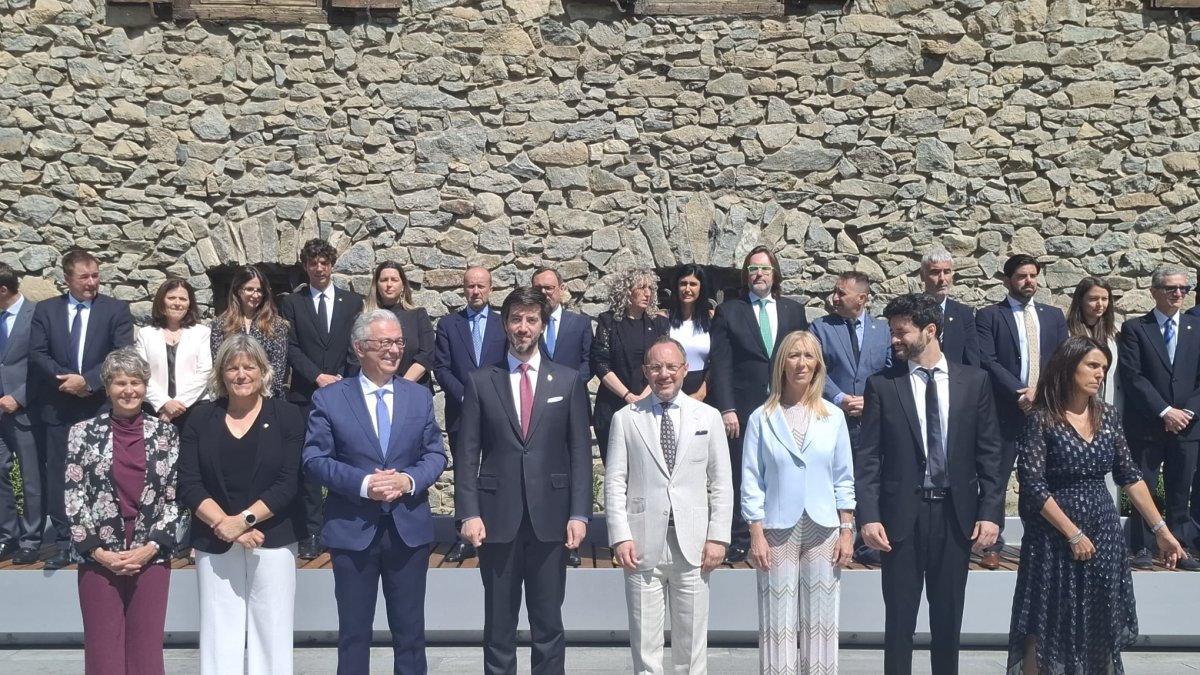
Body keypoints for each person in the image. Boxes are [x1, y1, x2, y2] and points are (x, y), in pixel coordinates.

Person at [1008, 335, 1189, 675]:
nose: (1100, 374)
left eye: (1104, 368)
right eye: (1092, 365)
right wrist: (1072, 534)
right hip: (1053, 536)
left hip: (1104, 532)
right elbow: (1032, 485)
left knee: (1100, 621)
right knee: (1044, 624)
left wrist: (1161, 531)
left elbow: (1130, 476)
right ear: (1068, 366)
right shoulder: (1041, 418)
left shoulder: (1107, 415)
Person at [856, 293, 1005, 675]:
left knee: (948, 622)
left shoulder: (975, 382)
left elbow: (990, 456)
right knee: (899, 624)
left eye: (901, 332)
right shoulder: (882, 386)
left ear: (930, 330)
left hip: (957, 519)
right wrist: (868, 516)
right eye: (892, 332)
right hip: (901, 520)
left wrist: (991, 514)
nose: (894, 340)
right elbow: (869, 457)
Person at [456, 287, 592, 675]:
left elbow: (580, 451)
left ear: (543, 326)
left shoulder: (567, 381)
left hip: (551, 520)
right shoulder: (482, 381)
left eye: (532, 319)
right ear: (504, 324)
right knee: (499, 627)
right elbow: (467, 454)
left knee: (548, 625)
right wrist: (469, 512)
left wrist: (580, 514)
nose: (523, 327)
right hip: (496, 520)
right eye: (516, 319)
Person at [304, 310, 448, 675]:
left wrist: (408, 481)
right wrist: (365, 484)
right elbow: (315, 459)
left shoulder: (418, 397)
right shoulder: (331, 399)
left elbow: (435, 454)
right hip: (352, 532)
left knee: (411, 634)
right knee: (354, 633)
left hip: (408, 532)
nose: (394, 350)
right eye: (385, 342)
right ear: (359, 348)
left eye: (399, 342)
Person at [177, 334, 306, 675]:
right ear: (220, 374)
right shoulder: (201, 418)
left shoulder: (287, 415)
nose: (241, 374)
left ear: (263, 371)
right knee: (220, 631)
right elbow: (188, 483)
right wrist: (227, 526)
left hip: (273, 538)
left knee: (272, 630)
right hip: (214, 539)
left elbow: (289, 482)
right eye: (232, 368)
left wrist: (244, 521)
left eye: (249, 366)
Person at [605, 336, 731, 675]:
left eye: (672, 366)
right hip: (642, 542)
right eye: (656, 367)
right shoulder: (626, 418)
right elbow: (615, 482)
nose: (664, 374)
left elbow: (721, 483)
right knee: (645, 646)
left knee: (691, 648)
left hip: (694, 544)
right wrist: (620, 535)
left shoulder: (708, 417)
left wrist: (719, 536)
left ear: (685, 369)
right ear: (646, 371)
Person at [742, 330, 855, 674]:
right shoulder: (761, 417)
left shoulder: (833, 417)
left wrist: (847, 529)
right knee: (777, 625)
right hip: (776, 530)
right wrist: (756, 533)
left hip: (824, 529)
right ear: (782, 364)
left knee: (822, 623)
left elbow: (843, 477)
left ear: (818, 364)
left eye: (808, 356)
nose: (801, 363)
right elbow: (751, 479)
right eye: (793, 356)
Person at [65, 348, 180, 675]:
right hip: (99, 556)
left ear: (145, 387)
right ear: (107, 387)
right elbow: (74, 499)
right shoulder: (81, 433)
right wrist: (99, 553)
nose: (129, 390)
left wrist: (151, 547)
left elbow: (174, 498)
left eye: (135, 382)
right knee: (103, 652)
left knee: (147, 651)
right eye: (119, 383)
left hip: (151, 555)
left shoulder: (166, 434)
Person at [30, 249, 134, 569]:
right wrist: (65, 380)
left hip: (98, 404)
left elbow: (121, 352)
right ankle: (65, 542)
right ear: (67, 280)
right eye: (84, 277)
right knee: (60, 475)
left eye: (95, 276)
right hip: (58, 407)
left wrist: (87, 382)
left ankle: (102, 537)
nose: (91, 283)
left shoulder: (115, 309)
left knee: (102, 473)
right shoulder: (46, 311)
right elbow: (37, 352)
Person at [709, 246, 809, 564]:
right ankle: (740, 538)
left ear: (775, 273)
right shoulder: (730, 311)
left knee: (784, 468)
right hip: (743, 407)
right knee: (744, 472)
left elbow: (805, 359)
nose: (759, 274)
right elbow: (721, 363)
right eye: (752, 269)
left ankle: (785, 532)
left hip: (786, 404)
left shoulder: (793, 311)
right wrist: (726, 408)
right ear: (746, 275)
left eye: (764, 269)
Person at [974, 254, 1068, 569]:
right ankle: (991, 546)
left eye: (1033, 276)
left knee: (1042, 481)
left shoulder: (1053, 316)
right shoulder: (989, 316)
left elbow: (1061, 360)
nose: (1029, 282)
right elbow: (987, 360)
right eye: (1021, 276)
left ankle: (1041, 543)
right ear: (1007, 280)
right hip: (1004, 412)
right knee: (995, 481)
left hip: (1044, 411)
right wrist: (1020, 391)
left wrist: (1039, 392)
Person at [280, 239, 365, 561]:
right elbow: (291, 347)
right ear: (306, 266)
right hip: (306, 392)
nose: (319, 268)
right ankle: (313, 531)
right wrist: (317, 377)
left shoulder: (352, 302)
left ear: (332, 265)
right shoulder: (293, 303)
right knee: (311, 465)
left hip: (345, 391)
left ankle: (344, 526)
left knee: (347, 458)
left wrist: (344, 378)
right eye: (313, 263)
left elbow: (356, 343)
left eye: (324, 262)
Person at [1117, 265, 1200, 571]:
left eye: (1183, 289)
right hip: (1148, 425)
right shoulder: (1137, 328)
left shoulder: (1196, 329)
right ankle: (1141, 545)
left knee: (1180, 488)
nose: (1178, 294)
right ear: (1154, 292)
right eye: (1171, 289)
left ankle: (1180, 546)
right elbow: (1133, 376)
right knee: (1144, 486)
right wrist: (1165, 411)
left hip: (1188, 426)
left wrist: (1187, 412)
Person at [434, 266, 507, 564]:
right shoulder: (449, 325)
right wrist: (466, 395)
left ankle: (497, 529)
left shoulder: (504, 324)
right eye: (470, 286)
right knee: (464, 472)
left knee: (498, 471)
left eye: (481, 286)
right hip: (461, 410)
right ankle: (464, 537)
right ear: (463, 289)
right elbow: (441, 368)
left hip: (498, 412)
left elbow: (508, 365)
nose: (475, 291)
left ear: (490, 288)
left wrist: (490, 398)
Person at [591, 267, 670, 466]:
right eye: (642, 287)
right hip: (613, 407)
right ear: (627, 290)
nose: (648, 293)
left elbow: (663, 362)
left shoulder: (659, 324)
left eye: (650, 288)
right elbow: (601, 363)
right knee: (617, 472)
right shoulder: (608, 322)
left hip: (650, 405)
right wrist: (628, 396)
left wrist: (644, 395)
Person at [810, 271, 891, 442]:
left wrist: (869, 400)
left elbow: (890, 372)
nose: (834, 298)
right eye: (835, 291)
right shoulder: (820, 328)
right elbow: (814, 368)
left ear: (861, 298)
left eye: (841, 293)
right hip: (830, 419)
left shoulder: (883, 330)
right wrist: (839, 397)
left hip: (873, 425)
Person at [0, 263, 43, 565]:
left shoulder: (37, 315)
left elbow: (43, 364)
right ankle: (7, 536)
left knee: (30, 476)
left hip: (24, 409)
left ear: (3, 289)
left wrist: (20, 397)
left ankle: (31, 539)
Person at [134, 278, 211, 430]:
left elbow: (205, 372)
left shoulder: (202, 333)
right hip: (155, 409)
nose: (177, 303)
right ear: (161, 301)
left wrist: (177, 405)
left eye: (183, 299)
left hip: (194, 408)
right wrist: (164, 403)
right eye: (171, 298)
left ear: (190, 304)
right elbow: (140, 373)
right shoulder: (146, 334)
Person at [210, 265, 288, 398]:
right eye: (250, 289)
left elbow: (278, 368)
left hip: (267, 396)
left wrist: (259, 395)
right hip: (231, 398)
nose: (255, 295)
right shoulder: (221, 324)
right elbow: (219, 364)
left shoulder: (277, 325)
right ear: (238, 290)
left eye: (259, 290)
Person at [366, 261, 436, 389]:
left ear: (403, 285)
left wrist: (401, 385)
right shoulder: (366, 319)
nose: (389, 284)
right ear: (376, 285)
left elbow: (426, 355)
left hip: (414, 389)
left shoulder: (417, 315)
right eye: (384, 280)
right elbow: (358, 358)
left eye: (394, 280)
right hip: (376, 391)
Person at [919, 250, 980, 366]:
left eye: (947, 272)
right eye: (935, 272)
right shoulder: (911, 311)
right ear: (922, 275)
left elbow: (972, 359)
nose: (942, 278)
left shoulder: (963, 314)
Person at [533, 267, 593, 381]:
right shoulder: (525, 326)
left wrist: (570, 385)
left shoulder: (580, 323)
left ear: (561, 289)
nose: (542, 292)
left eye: (548, 288)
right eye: (537, 289)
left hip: (572, 394)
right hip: (536, 394)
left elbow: (589, 361)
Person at [664, 264, 715, 399]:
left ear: (701, 288)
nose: (687, 289)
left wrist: (702, 393)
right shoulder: (663, 318)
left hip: (704, 390)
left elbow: (718, 359)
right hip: (671, 388)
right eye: (683, 283)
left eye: (693, 284)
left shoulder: (713, 318)